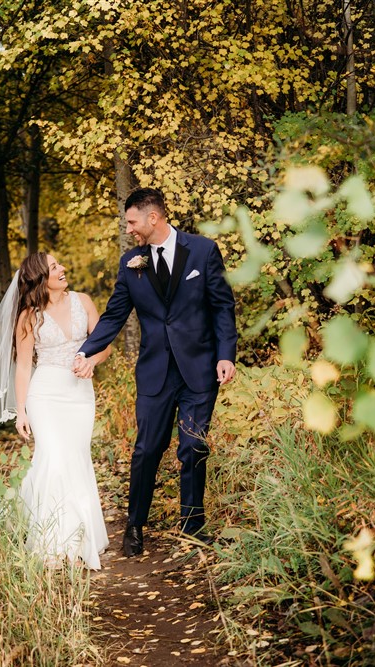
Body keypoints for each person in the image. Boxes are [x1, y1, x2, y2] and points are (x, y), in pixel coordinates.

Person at [73, 187, 237, 557]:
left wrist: (226, 355)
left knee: (193, 447)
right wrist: (86, 349)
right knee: (147, 450)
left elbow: (222, 307)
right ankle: (135, 525)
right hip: (154, 372)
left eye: (132, 222)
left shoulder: (203, 250)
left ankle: (193, 527)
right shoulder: (131, 263)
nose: (129, 229)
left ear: (153, 218)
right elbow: (115, 314)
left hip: (199, 369)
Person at [0, 253, 111, 569]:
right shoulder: (28, 317)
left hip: (80, 395)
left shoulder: (83, 301)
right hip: (45, 394)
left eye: (61, 263)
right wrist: (21, 410)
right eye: (55, 267)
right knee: (54, 460)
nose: (63, 268)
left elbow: (105, 344)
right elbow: (22, 368)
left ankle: (78, 540)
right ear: (40, 278)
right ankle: (52, 544)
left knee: (76, 459)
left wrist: (91, 361)